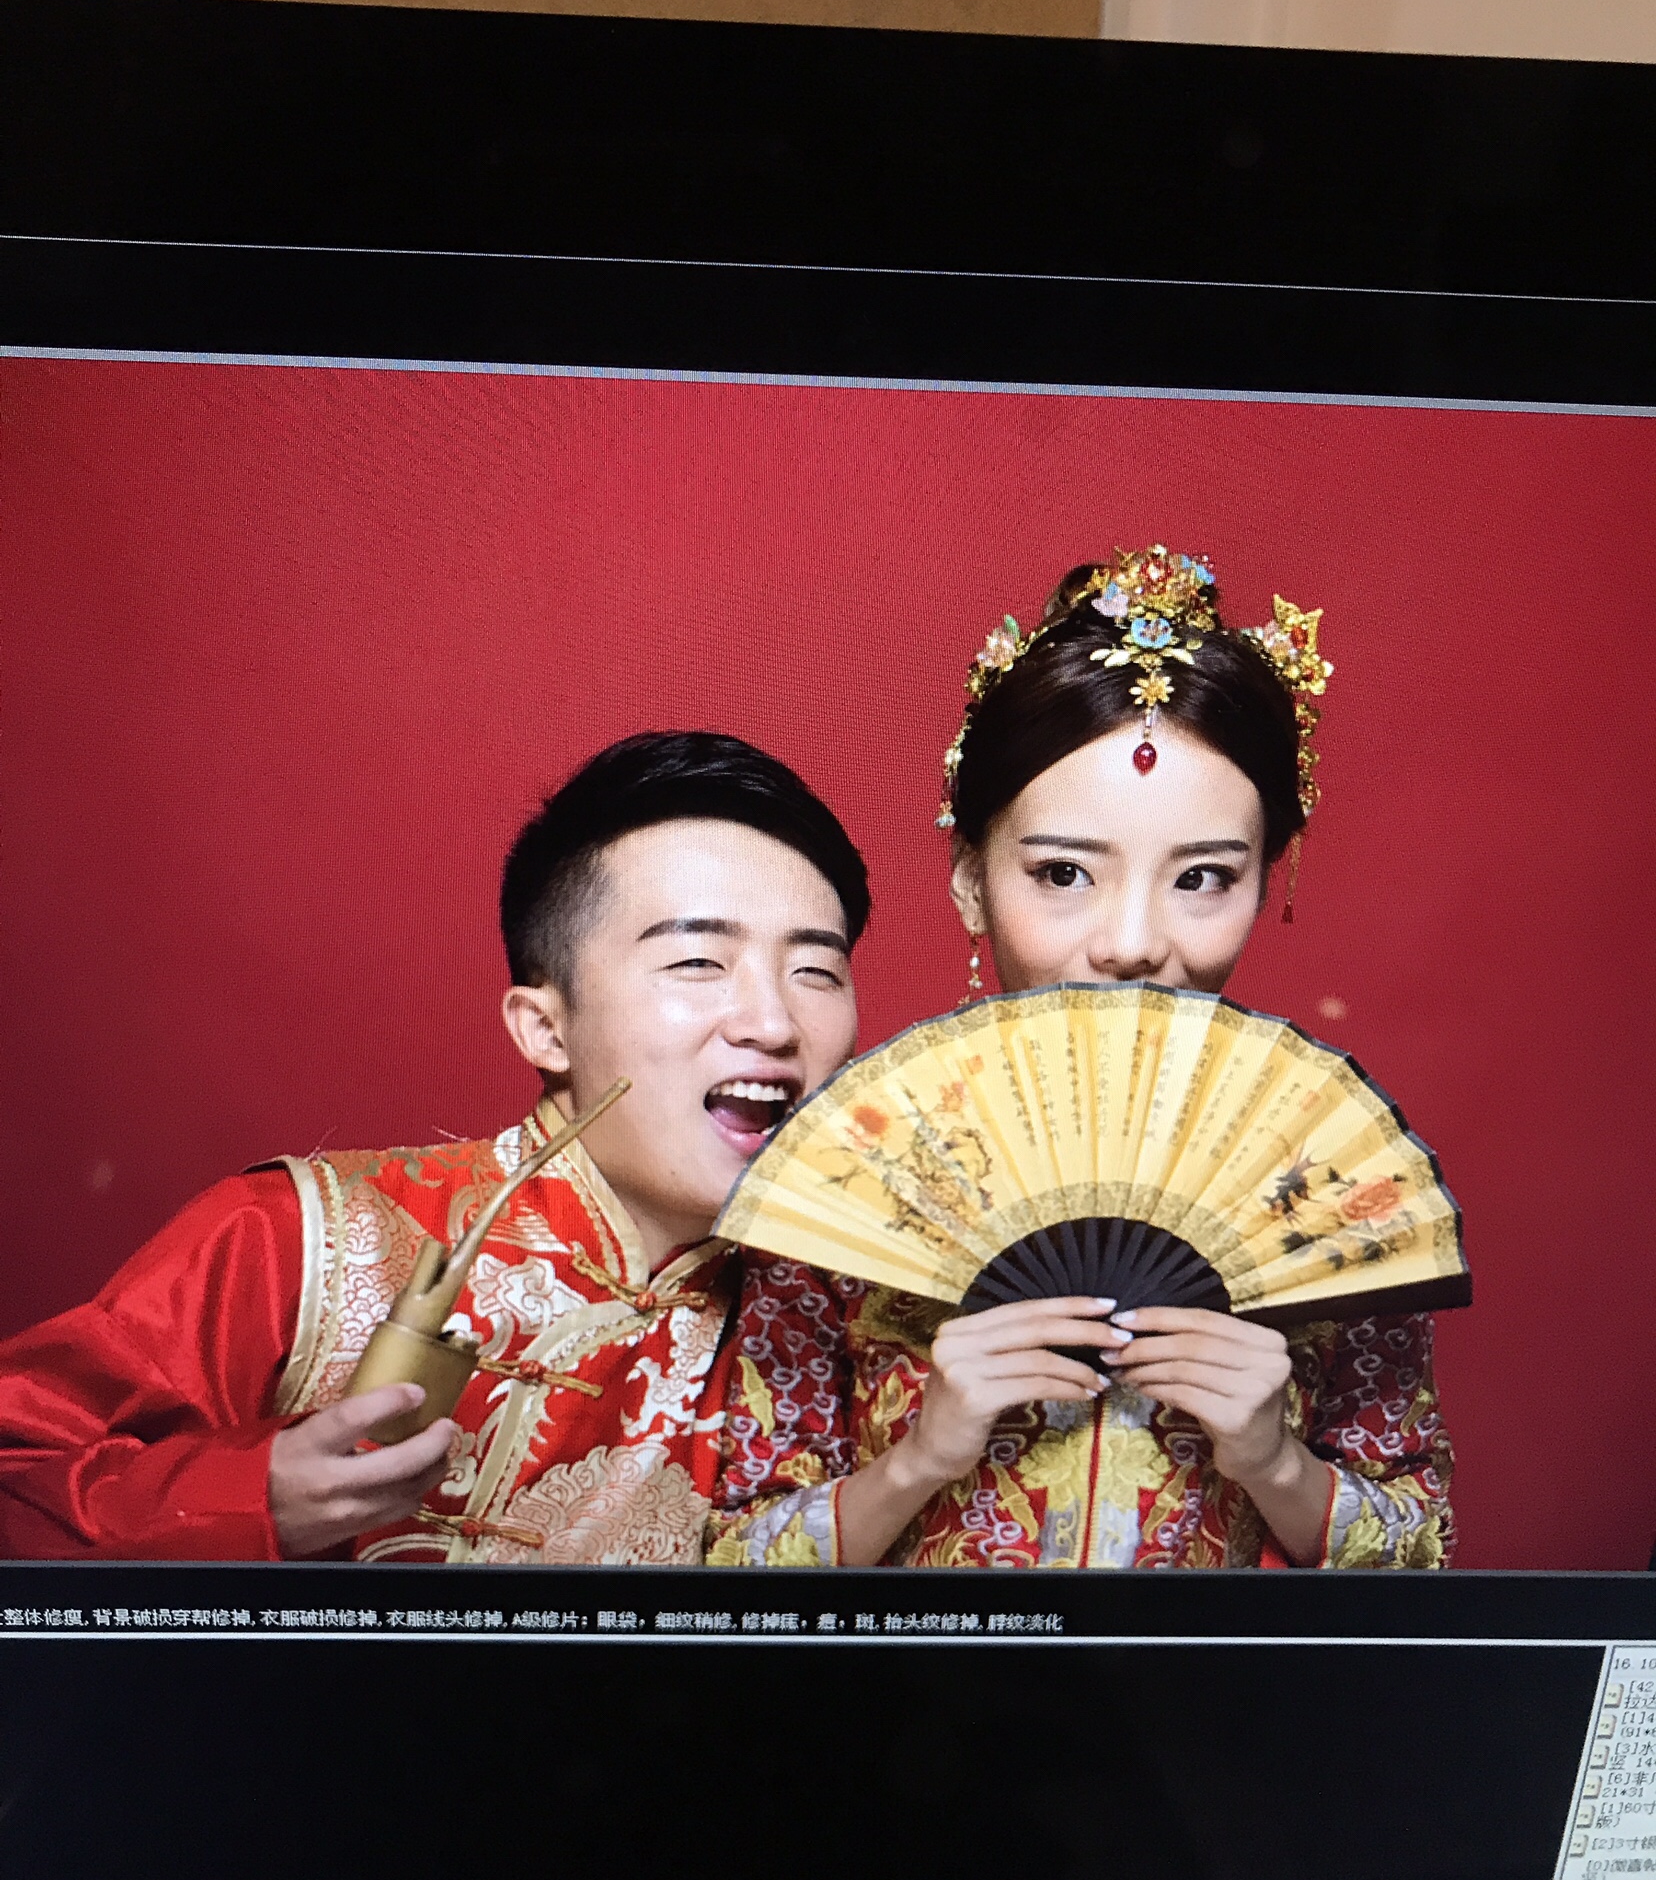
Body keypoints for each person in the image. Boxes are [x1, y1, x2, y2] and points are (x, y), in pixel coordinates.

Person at [709, 548, 1455, 1570]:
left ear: (1264, 880)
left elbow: (1427, 1554)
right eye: (1063, 873)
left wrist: (1276, 1464)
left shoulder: (1329, 1179)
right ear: (971, 880)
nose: (1132, 943)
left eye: (1202, 878)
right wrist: (917, 1461)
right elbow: (730, 1565)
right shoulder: (854, 1167)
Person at [0, 732, 865, 1563]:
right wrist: (249, 1498)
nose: (773, 1023)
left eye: (816, 972)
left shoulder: (847, 1321)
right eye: (699, 963)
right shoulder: (300, 1239)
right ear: (545, 1028)